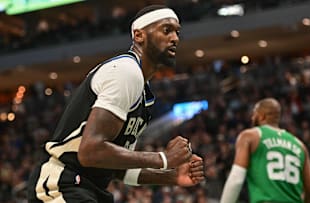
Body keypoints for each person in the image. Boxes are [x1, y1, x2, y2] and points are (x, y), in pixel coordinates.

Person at [27, 5, 204, 203]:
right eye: (166, 30)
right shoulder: (126, 71)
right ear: (139, 35)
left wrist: (171, 176)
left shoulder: (142, 93)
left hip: (87, 188)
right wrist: (162, 159)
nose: (175, 38)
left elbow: (117, 167)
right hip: (62, 183)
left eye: (177, 32)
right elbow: (90, 151)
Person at [220, 98, 310, 203]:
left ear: (262, 116)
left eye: (254, 114)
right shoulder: (300, 145)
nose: (252, 118)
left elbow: (236, 179)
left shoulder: (250, 136)